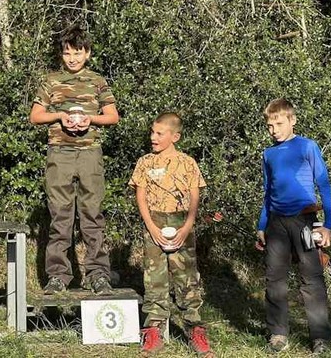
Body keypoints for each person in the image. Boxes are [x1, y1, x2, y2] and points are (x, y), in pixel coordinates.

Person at [29, 26, 119, 296]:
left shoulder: (98, 81)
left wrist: (90, 119)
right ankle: (58, 275)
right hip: (60, 154)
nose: (72, 59)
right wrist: (59, 117)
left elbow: (112, 116)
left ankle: (98, 274)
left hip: (90, 153)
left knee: (92, 214)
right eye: (67, 53)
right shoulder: (51, 81)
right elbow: (35, 116)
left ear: (87, 53)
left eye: (77, 53)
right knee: (60, 216)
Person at [130, 113, 213, 355]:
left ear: (174, 136)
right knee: (154, 278)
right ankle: (154, 331)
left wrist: (187, 225)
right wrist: (151, 226)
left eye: (159, 133)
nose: (153, 137)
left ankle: (195, 330)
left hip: (181, 223)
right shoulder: (144, 162)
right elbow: (141, 195)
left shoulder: (187, 162)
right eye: (152, 132)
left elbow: (195, 195)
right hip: (154, 222)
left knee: (187, 277)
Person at [256, 98, 331, 354]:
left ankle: (321, 338)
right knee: (274, 279)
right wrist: (261, 225)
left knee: (311, 279)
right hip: (277, 222)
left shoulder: (307, 146)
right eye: (270, 125)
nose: (274, 130)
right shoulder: (268, 154)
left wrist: (328, 226)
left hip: (305, 220)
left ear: (292, 120)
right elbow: (268, 192)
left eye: (279, 124)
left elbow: (323, 186)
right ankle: (278, 334)